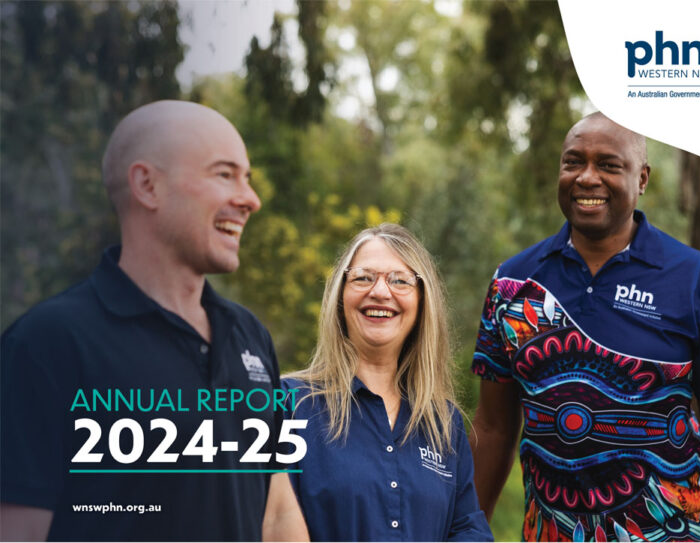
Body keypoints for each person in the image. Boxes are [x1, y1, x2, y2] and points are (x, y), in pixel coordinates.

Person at [0, 100, 308, 541]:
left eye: (247, 179)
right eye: (224, 174)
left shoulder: (249, 336)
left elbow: (276, 512)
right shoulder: (47, 344)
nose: (250, 200)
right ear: (147, 185)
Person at [470, 112, 700, 542]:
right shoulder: (513, 284)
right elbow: (493, 427)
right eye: (573, 162)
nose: (587, 177)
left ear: (642, 178)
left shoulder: (694, 279)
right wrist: (465, 530)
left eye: (608, 164)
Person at [282, 223, 493, 542]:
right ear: (340, 296)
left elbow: (467, 529)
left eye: (399, 281)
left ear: (423, 303)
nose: (380, 292)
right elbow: (264, 518)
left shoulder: (443, 423)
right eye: (363, 278)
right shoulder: (289, 405)